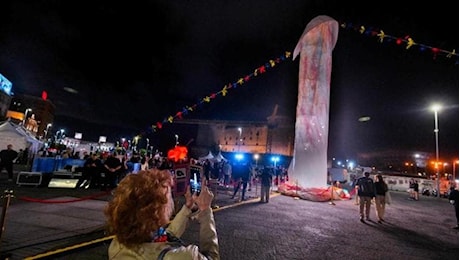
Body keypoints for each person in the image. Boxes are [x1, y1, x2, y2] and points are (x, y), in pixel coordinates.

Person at [105, 169, 220, 259]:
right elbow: (212, 257)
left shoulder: (117, 245)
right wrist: (205, 211)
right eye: (169, 196)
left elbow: (165, 237)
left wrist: (188, 207)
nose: (171, 200)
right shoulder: (182, 257)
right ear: (156, 210)